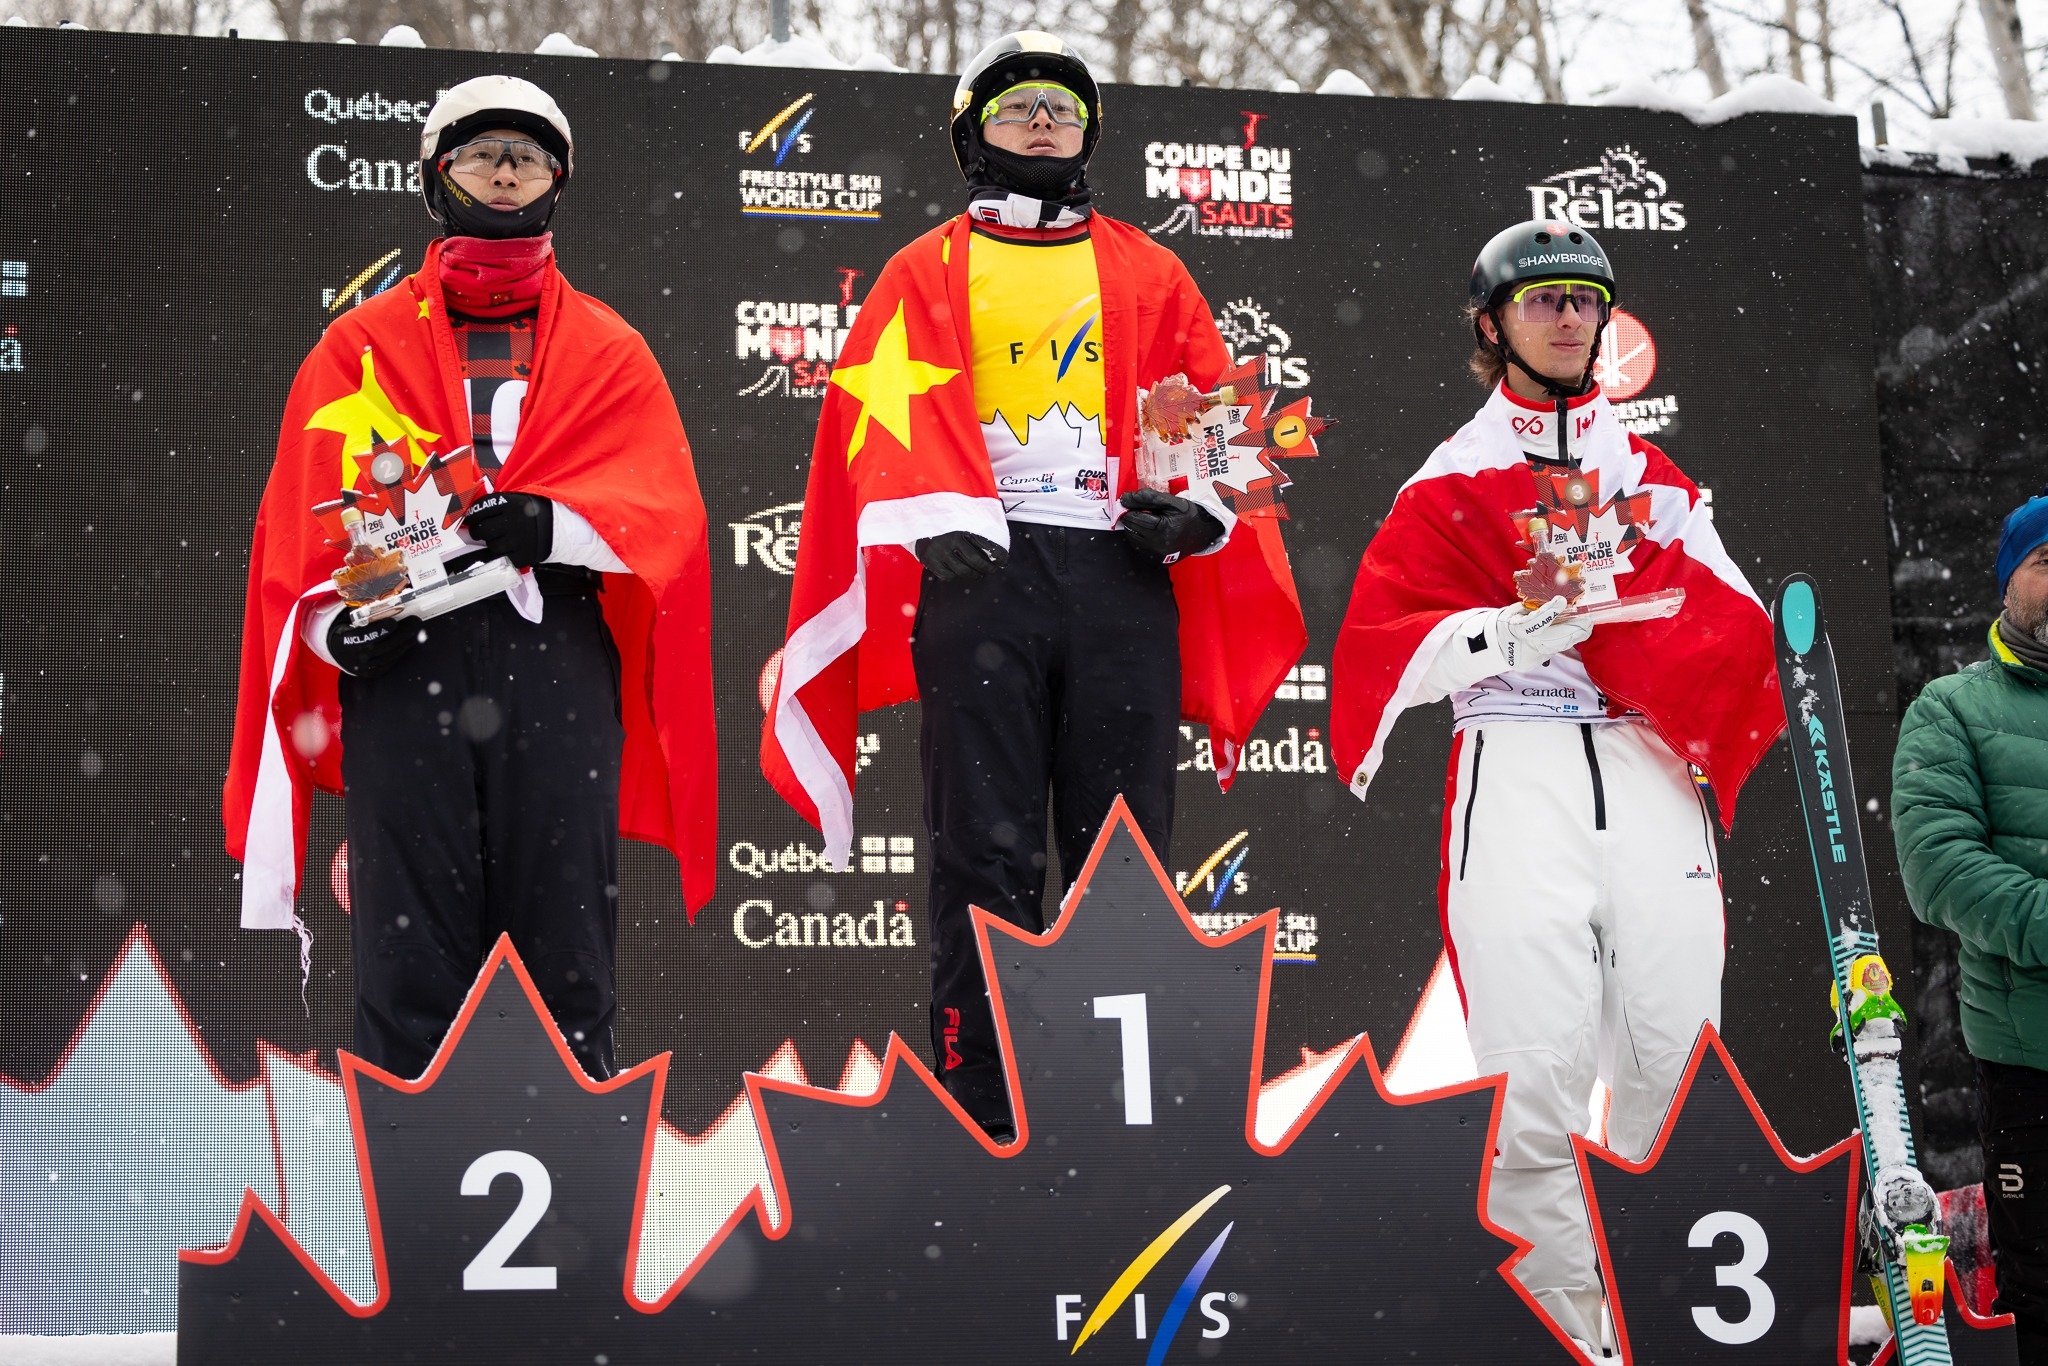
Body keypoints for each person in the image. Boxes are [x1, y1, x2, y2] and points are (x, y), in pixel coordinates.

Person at [761, 32, 1305, 1141]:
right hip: (984, 582)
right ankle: (982, 1114)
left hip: (1117, 576)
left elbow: (1228, 434)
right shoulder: (921, 268)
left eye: (1062, 106)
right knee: (983, 856)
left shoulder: (1153, 269)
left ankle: (1129, 1115)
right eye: (1017, 111)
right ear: (972, 139)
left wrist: (1197, 510)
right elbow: (867, 424)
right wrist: (930, 514)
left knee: (1127, 855)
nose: (1045, 122)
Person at [1328, 220, 1781, 1351]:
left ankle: (1675, 1326)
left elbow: (1741, 629)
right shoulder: (1450, 477)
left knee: (1678, 1065)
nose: (1569, 316)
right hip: (1515, 769)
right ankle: (1561, 1335)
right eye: (1542, 300)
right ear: (1492, 326)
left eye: (1585, 298)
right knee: (1530, 1081)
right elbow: (1383, 654)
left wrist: (1656, 638)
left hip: (1642, 770)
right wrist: (1503, 635)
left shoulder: (1652, 477)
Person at [224, 75, 716, 1082]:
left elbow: (667, 521)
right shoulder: (352, 349)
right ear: (433, 175)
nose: (504, 170)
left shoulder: (613, 350)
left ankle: (575, 1185)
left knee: (563, 946)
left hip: (555, 661)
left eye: (526, 156)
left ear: (557, 182)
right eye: (482, 151)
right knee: (409, 956)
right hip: (405, 670)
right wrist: (333, 631)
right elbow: (294, 546)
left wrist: (558, 523)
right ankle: (413, 1194)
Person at [1894, 493, 2048, 1363]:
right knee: (2038, 1300)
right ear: (2007, 584)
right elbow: (1942, 869)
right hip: (2032, 1068)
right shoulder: (1952, 710)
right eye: (2046, 562)